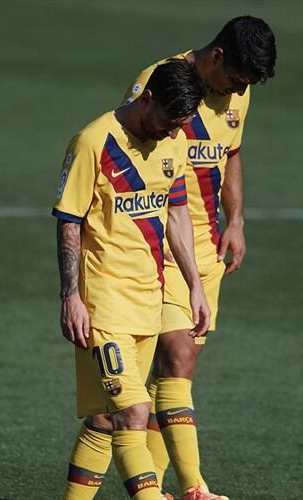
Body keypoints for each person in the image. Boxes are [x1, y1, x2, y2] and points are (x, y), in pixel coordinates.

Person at [64, 16, 278, 500]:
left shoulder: (238, 92)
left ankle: (156, 488)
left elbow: (231, 153)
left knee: (140, 395)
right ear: (217, 57)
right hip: (152, 253)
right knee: (157, 377)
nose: (237, 90)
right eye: (235, 78)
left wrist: (236, 220)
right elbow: (131, 152)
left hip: (204, 251)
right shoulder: (157, 83)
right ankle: (192, 488)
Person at [55, 60, 209, 500]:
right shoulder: (93, 141)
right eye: (168, 121)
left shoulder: (174, 140)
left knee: (106, 419)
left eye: (181, 125)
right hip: (103, 305)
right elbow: (69, 221)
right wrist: (70, 296)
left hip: (148, 302)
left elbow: (176, 213)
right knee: (135, 412)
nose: (172, 132)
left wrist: (194, 285)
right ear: (147, 98)